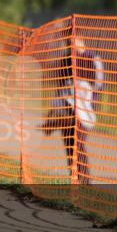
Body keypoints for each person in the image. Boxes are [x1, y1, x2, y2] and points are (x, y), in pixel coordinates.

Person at [41, 28, 104, 184]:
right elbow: (60, 88)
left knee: (78, 143)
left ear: (80, 39)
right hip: (67, 109)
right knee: (70, 144)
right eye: (67, 41)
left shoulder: (92, 58)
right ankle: (75, 178)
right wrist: (52, 113)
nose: (69, 44)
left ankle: (86, 181)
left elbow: (99, 85)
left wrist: (87, 100)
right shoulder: (66, 60)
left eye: (71, 40)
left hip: (85, 110)